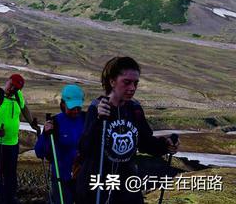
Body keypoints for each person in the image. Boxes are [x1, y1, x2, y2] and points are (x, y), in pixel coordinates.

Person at [74, 57, 179, 204]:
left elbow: (145, 142)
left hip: (125, 184)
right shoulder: (97, 107)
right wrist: (98, 120)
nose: (132, 88)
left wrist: (165, 145)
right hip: (97, 184)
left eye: (136, 83)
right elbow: (85, 148)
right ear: (112, 81)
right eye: (127, 82)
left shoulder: (134, 109)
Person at [0, 73, 40, 203]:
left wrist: (31, 122)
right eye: (11, 85)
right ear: (8, 81)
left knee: (10, 173)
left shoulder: (18, 96)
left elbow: (24, 108)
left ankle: (9, 198)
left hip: (12, 143)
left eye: (16, 88)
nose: (12, 89)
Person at [34, 84, 86, 204]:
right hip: (61, 178)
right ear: (63, 104)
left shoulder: (86, 119)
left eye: (78, 107)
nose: (76, 111)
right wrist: (46, 135)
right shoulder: (55, 123)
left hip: (83, 177)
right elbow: (39, 152)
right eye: (72, 107)